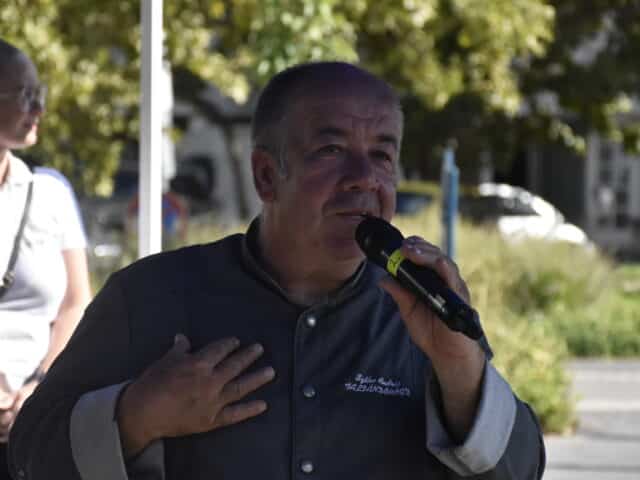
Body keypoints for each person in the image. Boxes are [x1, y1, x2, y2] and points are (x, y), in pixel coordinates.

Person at [9, 62, 545, 479]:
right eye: (331, 150)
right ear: (266, 176)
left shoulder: (426, 312)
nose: (364, 177)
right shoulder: (150, 296)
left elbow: (521, 471)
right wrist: (136, 416)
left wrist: (462, 370)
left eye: (383, 156)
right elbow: (28, 455)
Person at [0, 39, 91, 478]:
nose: (39, 108)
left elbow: (76, 302)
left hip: (36, 422)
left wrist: (39, 387)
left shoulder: (50, 192)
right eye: (24, 94)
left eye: (40, 93)